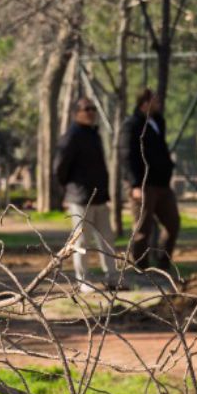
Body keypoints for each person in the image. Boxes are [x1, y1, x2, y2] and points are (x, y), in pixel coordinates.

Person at [54, 97, 120, 289]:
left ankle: (113, 279)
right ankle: (83, 280)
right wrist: (71, 189)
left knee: (107, 240)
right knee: (81, 241)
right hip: (80, 198)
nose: (91, 112)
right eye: (87, 109)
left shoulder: (94, 134)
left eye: (93, 109)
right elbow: (59, 167)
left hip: (100, 197)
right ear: (77, 113)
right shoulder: (72, 136)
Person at [126, 88, 180, 272]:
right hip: (144, 185)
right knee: (143, 228)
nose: (158, 104)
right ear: (145, 104)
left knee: (173, 224)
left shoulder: (158, 121)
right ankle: (140, 267)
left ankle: (163, 264)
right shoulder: (133, 124)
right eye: (155, 101)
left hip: (162, 184)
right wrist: (135, 184)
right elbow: (129, 156)